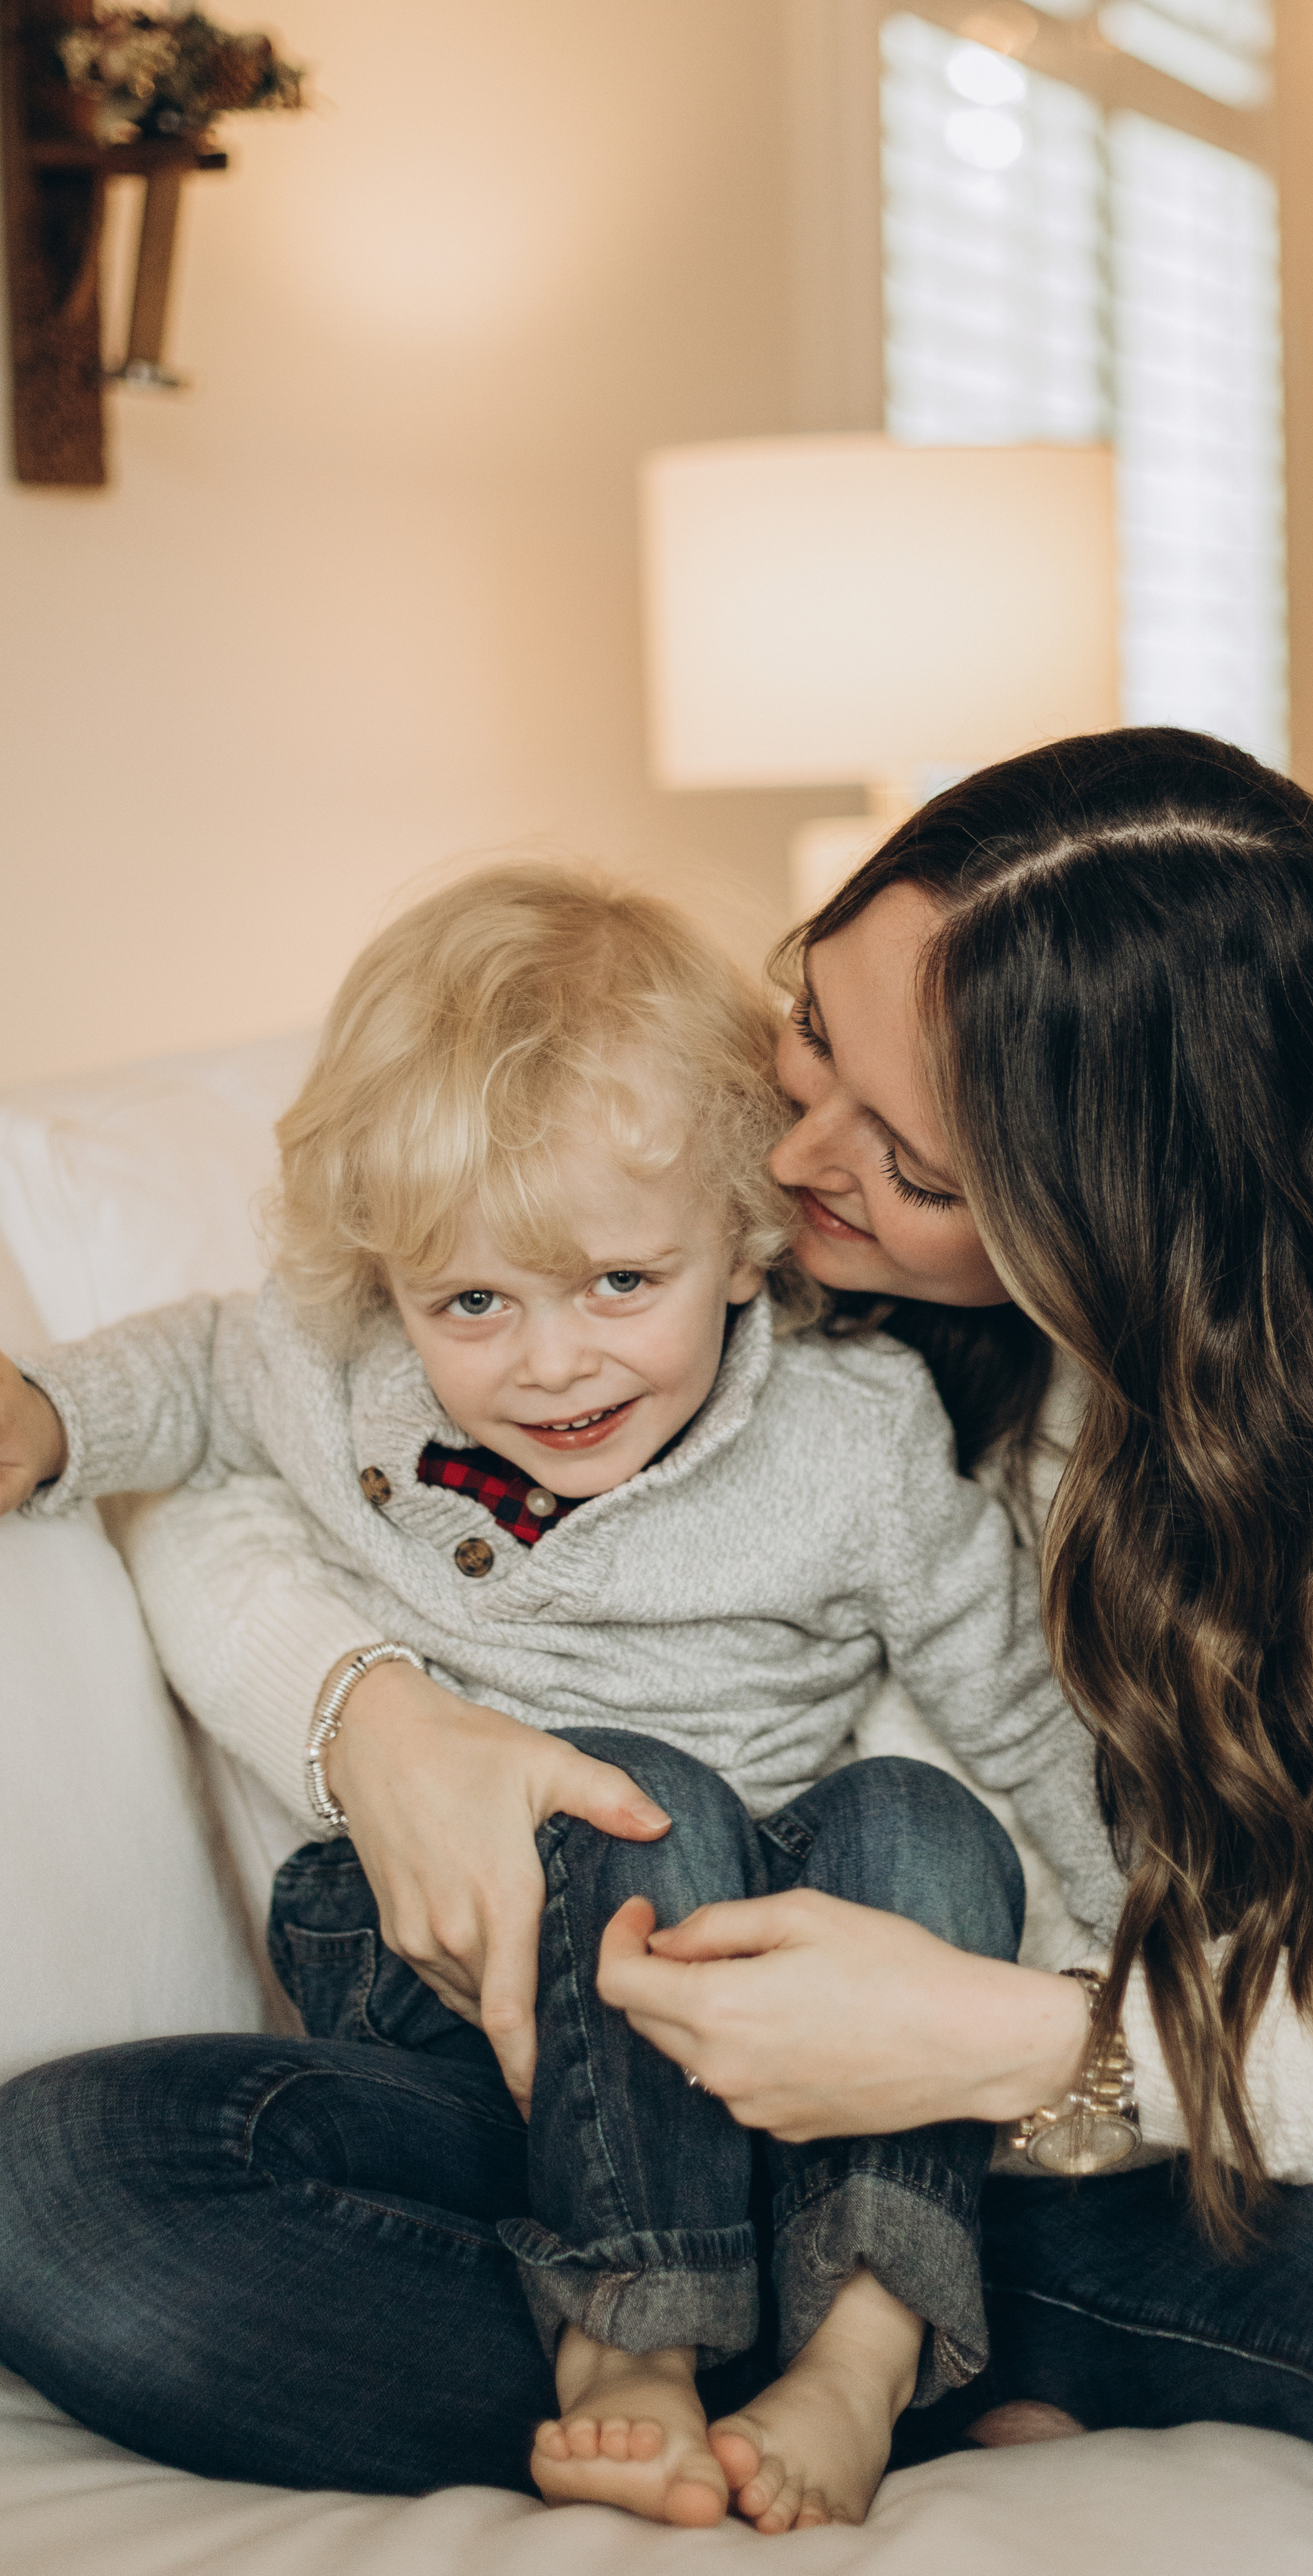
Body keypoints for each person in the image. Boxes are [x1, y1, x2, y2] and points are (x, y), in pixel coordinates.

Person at [1, 730, 1313, 2573]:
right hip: (619, 2116)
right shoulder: (690, 1197)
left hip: (1121, 2135)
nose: (798, 1157)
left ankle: (882, 2342)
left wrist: (1020, 2047)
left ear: (1106, 1207)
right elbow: (246, 1430)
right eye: (815, 1036)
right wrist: (373, 1723)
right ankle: (711, 2349)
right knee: (71, 2189)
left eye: (911, 1160)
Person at [0, 863, 1121, 2533]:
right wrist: (49, 1416)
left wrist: (1118, 1969)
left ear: (745, 1241)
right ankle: (631, 2334)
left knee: (921, 1819)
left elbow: (1018, 1713)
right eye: (473, 1304)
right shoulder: (323, 1364)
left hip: (765, 2009)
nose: (553, 1364)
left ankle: (861, 2347)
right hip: (455, 1983)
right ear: (385, 1284)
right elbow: (185, 1375)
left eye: (617, 1284)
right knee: (615, 1785)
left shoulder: (858, 1438)